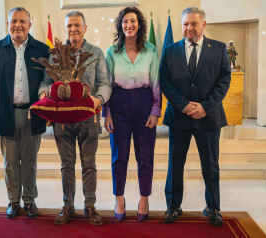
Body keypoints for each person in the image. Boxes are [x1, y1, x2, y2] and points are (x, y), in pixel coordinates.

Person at [159, 7, 231, 226]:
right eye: (185, 24)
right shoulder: (170, 50)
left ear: (203, 24)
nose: (189, 28)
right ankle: (173, 206)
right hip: (179, 117)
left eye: (193, 23)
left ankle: (213, 208)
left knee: (210, 165)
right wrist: (183, 105)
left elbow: (224, 80)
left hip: (208, 118)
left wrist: (205, 107)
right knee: (175, 164)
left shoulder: (218, 48)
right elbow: (165, 81)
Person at [38, 11, 111, 226]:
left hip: (89, 117)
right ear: (66, 28)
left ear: (85, 28)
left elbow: (105, 84)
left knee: (89, 164)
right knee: (66, 164)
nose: (73, 29)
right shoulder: (54, 55)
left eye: (77, 25)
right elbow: (44, 84)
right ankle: (67, 205)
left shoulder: (96, 52)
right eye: (69, 26)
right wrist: (44, 95)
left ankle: (90, 206)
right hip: (62, 120)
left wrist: (98, 101)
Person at [0, 7, 49, 219]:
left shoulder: (42, 50)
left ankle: (30, 200)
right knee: (10, 161)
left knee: (30, 161)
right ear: (7, 24)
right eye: (14, 21)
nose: (18, 25)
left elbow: (49, 83)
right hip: (5, 114)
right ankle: (13, 200)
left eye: (22, 21)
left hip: (33, 114)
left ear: (30, 24)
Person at [103, 7, 161, 222]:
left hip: (145, 103)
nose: (129, 25)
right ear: (121, 25)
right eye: (125, 21)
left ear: (139, 24)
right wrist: (106, 113)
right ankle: (119, 198)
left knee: (145, 156)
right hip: (118, 103)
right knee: (120, 155)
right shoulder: (112, 52)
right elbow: (107, 83)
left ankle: (144, 198)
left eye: (133, 21)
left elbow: (156, 81)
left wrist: (156, 110)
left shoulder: (151, 50)